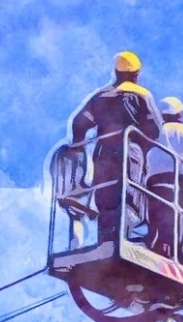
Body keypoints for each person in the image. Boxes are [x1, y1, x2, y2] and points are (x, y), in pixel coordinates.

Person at [70, 51, 163, 244]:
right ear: (136, 74)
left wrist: (78, 147)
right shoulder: (142, 95)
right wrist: (143, 148)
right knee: (128, 196)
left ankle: (105, 242)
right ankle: (122, 240)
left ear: (116, 72)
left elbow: (79, 124)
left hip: (103, 155)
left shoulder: (101, 96)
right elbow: (154, 129)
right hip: (130, 153)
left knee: (105, 198)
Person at [145, 97, 183, 267]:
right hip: (176, 179)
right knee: (177, 217)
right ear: (177, 113)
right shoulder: (182, 129)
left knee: (156, 218)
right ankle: (177, 253)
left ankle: (156, 247)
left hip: (153, 181)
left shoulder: (153, 132)